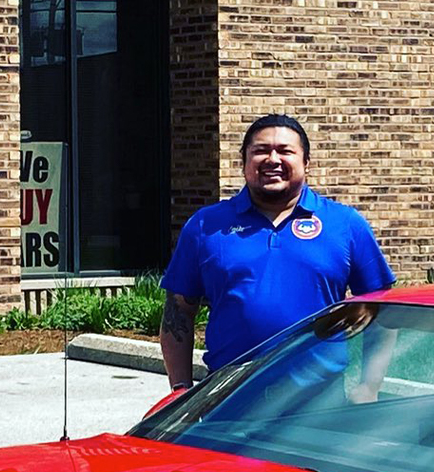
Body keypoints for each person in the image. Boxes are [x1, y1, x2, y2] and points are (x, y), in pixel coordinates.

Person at [160, 114, 396, 394]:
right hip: (228, 399)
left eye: (285, 151)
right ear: (243, 162)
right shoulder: (205, 226)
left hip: (319, 400)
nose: (272, 159)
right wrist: (180, 389)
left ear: (306, 162)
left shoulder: (345, 225)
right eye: (261, 151)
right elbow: (179, 312)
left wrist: (369, 386)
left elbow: (382, 311)